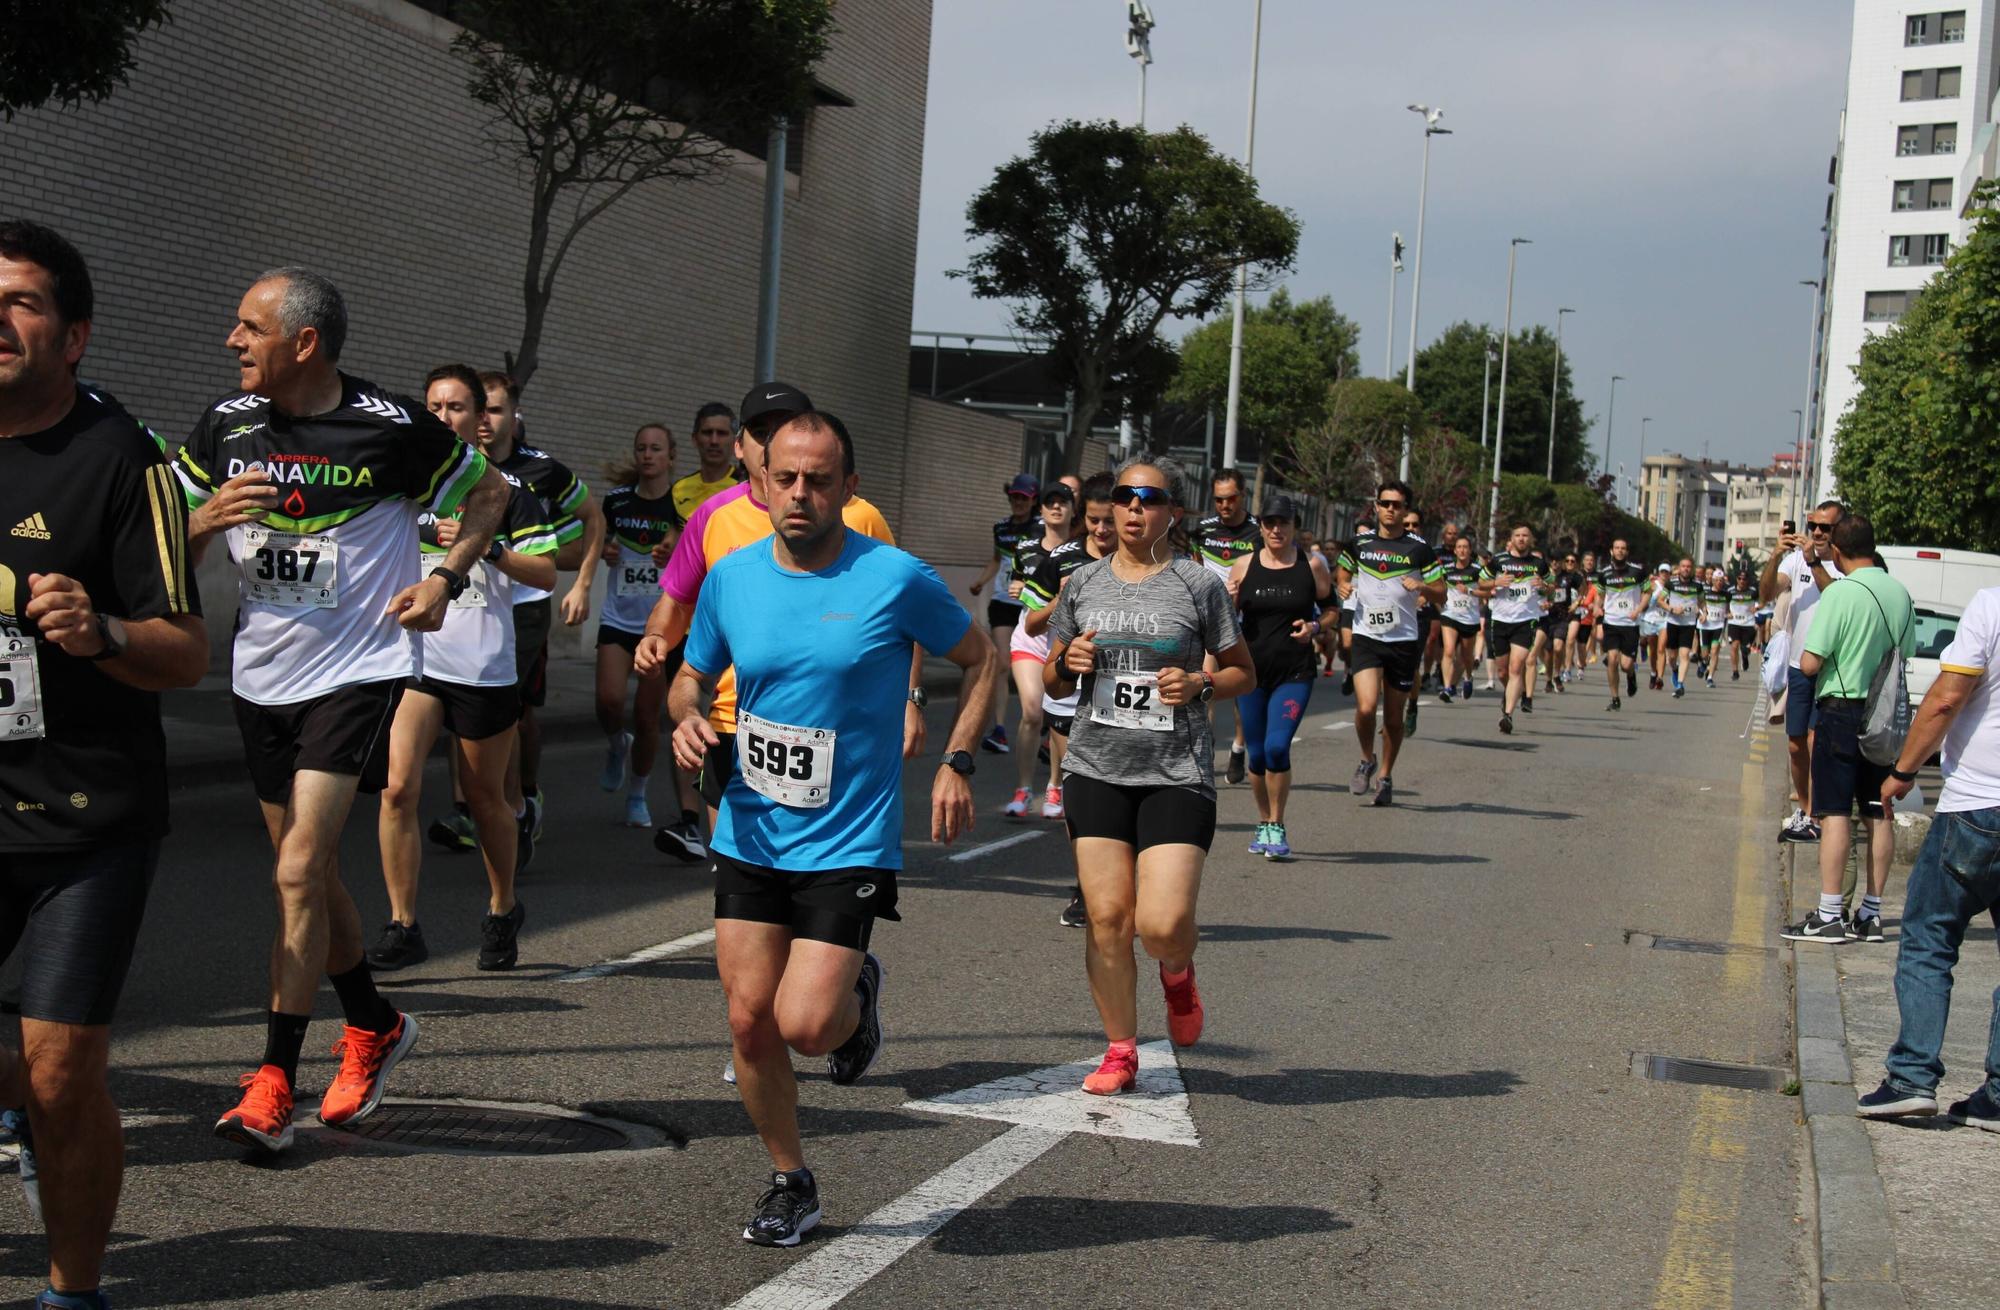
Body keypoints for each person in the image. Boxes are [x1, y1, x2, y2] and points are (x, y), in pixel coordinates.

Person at [173, 268, 509, 1153]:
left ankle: (272, 1079)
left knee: (295, 873)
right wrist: (206, 517)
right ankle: (375, 1022)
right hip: (260, 676)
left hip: (357, 670)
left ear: (303, 342)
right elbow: (160, 526)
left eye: (250, 327)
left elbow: (492, 496)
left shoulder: (391, 428)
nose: (232, 341)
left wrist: (443, 577)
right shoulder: (226, 424)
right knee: (309, 875)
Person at [668, 411, 997, 1246]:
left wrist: (958, 760)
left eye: (820, 480)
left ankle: (856, 994)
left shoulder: (893, 577)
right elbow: (690, 677)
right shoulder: (732, 578)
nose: (801, 494)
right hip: (749, 827)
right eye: (787, 478)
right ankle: (791, 1178)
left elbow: (982, 658)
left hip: (848, 835)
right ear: (760, 482)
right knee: (749, 1019)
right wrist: (686, 720)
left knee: (807, 1027)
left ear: (849, 489)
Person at [0, 221, 207, 1310]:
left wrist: (103, 633)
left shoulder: (123, 458)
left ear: (73, 335)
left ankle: (73, 1290)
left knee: (61, 1071)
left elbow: (184, 650)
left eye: (23, 301)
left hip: (83, 819)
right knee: (30, 1079)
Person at [1045, 458, 1252, 1096]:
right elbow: (1052, 678)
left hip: (1175, 771)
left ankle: (1178, 971)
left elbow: (1243, 669)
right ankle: (1120, 1049)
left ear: (1173, 513)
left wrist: (1202, 682)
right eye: (1123, 498)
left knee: (1158, 924)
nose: (1134, 509)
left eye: (1149, 499)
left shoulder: (1198, 585)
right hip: (1096, 767)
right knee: (1108, 916)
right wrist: (1067, 659)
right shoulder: (1079, 583)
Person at [634, 385, 917, 836]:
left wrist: (907, 697)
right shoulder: (713, 516)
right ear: (741, 446)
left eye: (784, 429)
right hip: (731, 720)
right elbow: (677, 602)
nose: (771, 441)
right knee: (735, 875)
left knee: (814, 882)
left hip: (833, 725)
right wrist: (655, 637)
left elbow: (904, 618)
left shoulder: (860, 516)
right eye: (761, 431)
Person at [369, 365, 559, 973]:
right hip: (416, 657)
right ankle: (403, 925)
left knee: (484, 800)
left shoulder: (507, 490)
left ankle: (503, 906)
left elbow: (547, 572)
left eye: (456, 407)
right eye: (434, 406)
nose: (444, 417)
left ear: (480, 419)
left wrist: (488, 545)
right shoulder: (411, 483)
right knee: (397, 788)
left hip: (481, 666)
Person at [1857, 584, 2000, 1127]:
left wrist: (1902, 772)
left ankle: (1911, 1077)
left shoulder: (1991, 604)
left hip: (1979, 805)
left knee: (1927, 936)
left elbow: (1945, 697)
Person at [462, 371, 605, 849]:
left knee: (508, 710)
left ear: (513, 415)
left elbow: (593, 518)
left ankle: (521, 801)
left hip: (522, 607)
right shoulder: (456, 466)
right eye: (479, 410)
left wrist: (582, 583)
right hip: (465, 602)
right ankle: (469, 808)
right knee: (458, 705)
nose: (485, 420)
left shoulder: (540, 471)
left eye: (496, 411)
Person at [1783, 515, 1914, 944]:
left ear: (1836, 551)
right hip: (1884, 716)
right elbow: (1904, 653)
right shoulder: (1900, 593)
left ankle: (1829, 914)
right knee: (1879, 811)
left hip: (1841, 710)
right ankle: (1872, 915)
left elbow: (1810, 662)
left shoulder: (1840, 593)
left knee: (1835, 811)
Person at [596, 422, 699, 838]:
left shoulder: (679, 504)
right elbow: (598, 541)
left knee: (646, 715)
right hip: (618, 617)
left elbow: (688, 552)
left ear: (670, 456)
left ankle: (637, 791)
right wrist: (604, 549)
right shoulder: (617, 500)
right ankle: (616, 743)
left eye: (656, 449)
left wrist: (670, 553)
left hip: (659, 624)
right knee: (608, 700)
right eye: (641, 448)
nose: (647, 455)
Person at [1025, 474, 1117, 927]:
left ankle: (1120, 877)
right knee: (1080, 794)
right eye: (1094, 521)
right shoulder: (1063, 558)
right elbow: (1030, 623)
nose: (1102, 531)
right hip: (1067, 690)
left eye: (1109, 521)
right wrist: (1058, 603)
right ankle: (1085, 886)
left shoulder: (1142, 558)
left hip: (1122, 698)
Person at [1228, 494, 1330, 854]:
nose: (1276, 529)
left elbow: (1332, 610)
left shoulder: (1312, 565)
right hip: (1251, 674)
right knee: (1256, 755)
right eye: (1269, 523)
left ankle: (1278, 823)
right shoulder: (1242, 566)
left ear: (1293, 527)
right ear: (1261, 526)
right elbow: (1225, 620)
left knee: (1276, 747)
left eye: (1282, 523)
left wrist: (1315, 627)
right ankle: (1263, 822)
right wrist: (1230, 599)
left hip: (1295, 672)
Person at [1337, 481, 1443, 806]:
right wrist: (1342, 587)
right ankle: (1366, 758)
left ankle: (1384, 775)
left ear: (1406, 509)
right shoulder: (1359, 543)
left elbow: (1443, 591)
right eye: (1385, 503)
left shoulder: (1419, 548)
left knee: (1394, 718)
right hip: (1367, 635)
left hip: (1403, 639)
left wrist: (1423, 585)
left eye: (1397, 505)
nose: (1390, 510)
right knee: (1367, 706)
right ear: (1377, 506)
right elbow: (1341, 573)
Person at [1764, 502, 1847, 843]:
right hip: (1799, 666)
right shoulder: (1795, 558)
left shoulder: (1844, 563)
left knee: (1816, 742)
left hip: (1831, 669)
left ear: (1838, 531)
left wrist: (1814, 562)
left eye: (1824, 528)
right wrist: (1773, 557)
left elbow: (1837, 597)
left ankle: (1816, 814)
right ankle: (1805, 806)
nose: (1816, 532)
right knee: (1797, 746)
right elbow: (1767, 592)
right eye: (1812, 525)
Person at [1002, 483, 1078, 818]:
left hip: (1063, 641)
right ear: (1042, 510)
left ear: (1074, 510)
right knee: (1032, 712)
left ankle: (1055, 788)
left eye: (1063, 503)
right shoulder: (1027, 547)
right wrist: (1016, 588)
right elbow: (1015, 584)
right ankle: (1022, 789)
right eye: (1050, 503)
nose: (1056, 508)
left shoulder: (1081, 552)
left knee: (1058, 717)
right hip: (1030, 639)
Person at [1192, 469, 1260, 781]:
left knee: (1239, 690)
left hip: (1248, 620)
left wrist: (1246, 591)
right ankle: (1205, 747)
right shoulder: (1203, 530)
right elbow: (1194, 568)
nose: (1225, 505)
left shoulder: (1258, 531)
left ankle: (1238, 747)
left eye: (1231, 498)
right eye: (1218, 499)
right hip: (1210, 620)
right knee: (1205, 683)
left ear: (1242, 496)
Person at [968, 473, 1040, 754]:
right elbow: (997, 560)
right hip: (1002, 600)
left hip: (1031, 603)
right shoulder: (1000, 527)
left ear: (1033, 501)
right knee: (1000, 662)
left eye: (1024, 498)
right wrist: (981, 580)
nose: (1018, 502)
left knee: (1038, 661)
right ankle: (999, 729)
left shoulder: (1042, 527)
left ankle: (1039, 721)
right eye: (1014, 497)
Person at [1477, 524, 1549, 734]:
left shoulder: (1538, 564)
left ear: (1531, 539)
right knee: (1502, 671)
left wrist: (1544, 587)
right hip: (1500, 619)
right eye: (1517, 535)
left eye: (1525, 535)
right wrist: (1496, 582)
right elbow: (1480, 582)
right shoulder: (1499, 560)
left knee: (1517, 667)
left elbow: (1552, 589)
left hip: (1525, 621)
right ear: (1511, 538)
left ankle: (1507, 715)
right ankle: (1510, 693)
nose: (1521, 538)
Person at [1594, 538, 1648, 711]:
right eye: (1616, 548)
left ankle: (1631, 676)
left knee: (1625, 665)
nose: (1619, 551)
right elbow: (1600, 596)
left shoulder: (1637, 572)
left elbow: (1647, 592)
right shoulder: (1604, 573)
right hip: (1611, 622)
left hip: (1630, 624)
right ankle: (1615, 698)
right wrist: (1597, 608)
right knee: (1612, 660)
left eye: (1623, 548)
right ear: (1611, 551)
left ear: (1627, 552)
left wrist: (1638, 609)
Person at [671, 401, 743, 520]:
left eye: (722, 433)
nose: (714, 440)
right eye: (707, 432)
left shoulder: (746, 486)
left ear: (736, 441)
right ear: (695, 439)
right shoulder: (679, 488)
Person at [1436, 535, 1483, 703]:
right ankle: (1448, 687)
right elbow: (1437, 587)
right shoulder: (1446, 569)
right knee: (1448, 650)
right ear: (1455, 550)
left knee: (1466, 656)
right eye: (1459, 547)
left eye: (1465, 547)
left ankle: (1468, 677)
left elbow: (1487, 593)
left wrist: (1470, 591)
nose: (1462, 550)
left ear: (1470, 550)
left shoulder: (1477, 570)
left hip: (1470, 617)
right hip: (1450, 613)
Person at [1654, 558, 1702, 698]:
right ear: (1679, 568)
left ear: (1691, 569)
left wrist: (1703, 613)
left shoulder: (1697, 586)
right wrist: (1672, 609)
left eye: (1688, 566)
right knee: (1672, 657)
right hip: (1673, 622)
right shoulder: (1671, 584)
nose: (1686, 569)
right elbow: (1660, 601)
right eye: (1683, 566)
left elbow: (1702, 602)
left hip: (1688, 624)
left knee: (1685, 655)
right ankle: (1675, 670)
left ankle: (1680, 685)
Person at [1696, 565, 1729, 688]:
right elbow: (1697, 605)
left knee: (1715, 651)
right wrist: (1701, 614)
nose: (1720, 583)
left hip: (1718, 626)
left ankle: (1710, 678)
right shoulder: (1705, 593)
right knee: (1705, 654)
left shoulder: (1726, 595)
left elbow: (1728, 610)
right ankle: (1704, 663)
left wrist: (1729, 614)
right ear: (1713, 581)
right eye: (1717, 581)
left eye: (1722, 581)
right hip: (1705, 625)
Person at [1726, 569, 1760, 680]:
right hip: (1734, 623)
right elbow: (1725, 603)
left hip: (1748, 624)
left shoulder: (1753, 592)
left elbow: (1761, 602)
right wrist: (1727, 613)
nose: (1742, 581)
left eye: (1744, 579)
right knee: (1734, 646)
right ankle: (1735, 671)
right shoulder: (1730, 591)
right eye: (1739, 578)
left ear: (1748, 580)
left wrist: (1757, 609)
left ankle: (1745, 657)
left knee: (1745, 649)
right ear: (1736, 579)